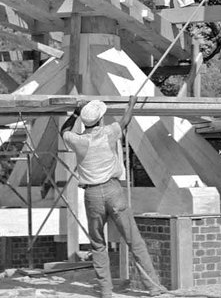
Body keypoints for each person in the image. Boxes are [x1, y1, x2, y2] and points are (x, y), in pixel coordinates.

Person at [61, 97, 164, 298]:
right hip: (113, 190)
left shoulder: (78, 140)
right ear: (100, 119)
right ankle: (154, 288)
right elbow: (125, 121)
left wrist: (75, 112)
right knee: (135, 241)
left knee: (98, 245)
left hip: (92, 195)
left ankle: (106, 291)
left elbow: (63, 131)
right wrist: (131, 104)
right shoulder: (108, 133)